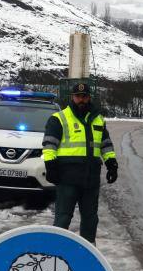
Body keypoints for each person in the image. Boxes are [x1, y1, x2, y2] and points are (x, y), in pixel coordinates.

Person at [42, 83, 118, 245]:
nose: (81, 100)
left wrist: (111, 162)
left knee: (91, 219)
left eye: (84, 96)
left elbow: (105, 143)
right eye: (78, 96)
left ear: (89, 97)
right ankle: (56, 251)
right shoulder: (59, 118)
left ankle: (88, 254)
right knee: (63, 218)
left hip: (91, 179)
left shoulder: (98, 119)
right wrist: (50, 165)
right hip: (67, 178)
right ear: (72, 97)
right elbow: (49, 145)